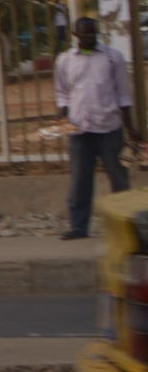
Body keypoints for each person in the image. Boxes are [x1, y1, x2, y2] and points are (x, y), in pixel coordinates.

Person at [58, 13, 138, 240]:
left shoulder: (113, 57)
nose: (91, 36)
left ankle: (126, 227)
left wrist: (130, 128)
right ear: (76, 34)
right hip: (79, 130)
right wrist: (61, 118)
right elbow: (62, 93)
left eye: (94, 32)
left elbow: (123, 94)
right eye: (86, 33)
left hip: (109, 128)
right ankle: (79, 227)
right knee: (80, 180)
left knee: (118, 178)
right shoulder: (65, 60)